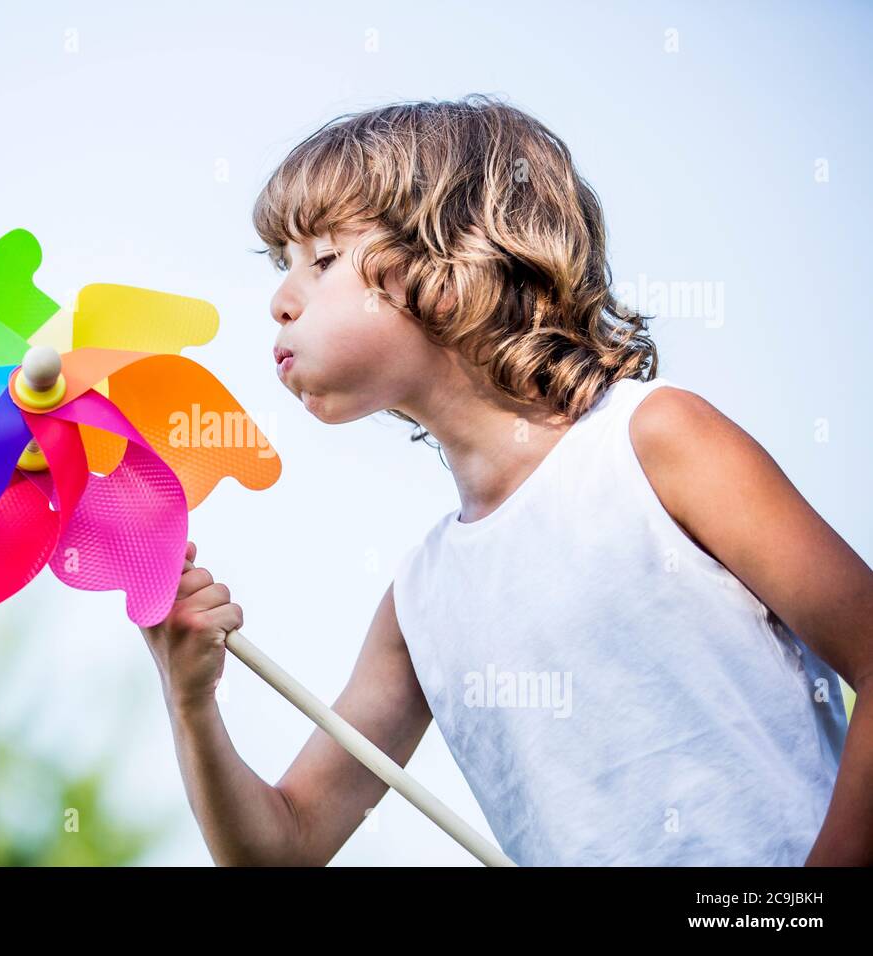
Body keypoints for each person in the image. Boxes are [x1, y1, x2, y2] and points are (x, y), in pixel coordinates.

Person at [139, 95, 870, 866]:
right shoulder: (419, 599)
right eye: (284, 268)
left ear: (452, 269)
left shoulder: (655, 441)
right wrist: (191, 701)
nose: (281, 302)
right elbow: (282, 848)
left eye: (321, 262)